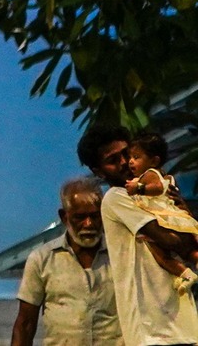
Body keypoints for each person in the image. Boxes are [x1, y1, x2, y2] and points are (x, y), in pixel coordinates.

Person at [101, 130, 198, 346]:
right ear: (97, 171)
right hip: (152, 331)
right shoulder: (116, 197)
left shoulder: (151, 193)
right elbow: (171, 241)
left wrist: (182, 212)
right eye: (113, 160)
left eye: (130, 155)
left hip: (181, 324)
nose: (126, 162)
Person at [12, 178, 120, 346]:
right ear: (64, 217)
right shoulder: (42, 259)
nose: (89, 224)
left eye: (94, 216)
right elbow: (25, 323)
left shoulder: (121, 255)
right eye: (80, 217)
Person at [121, 133, 198, 239]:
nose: (130, 161)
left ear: (154, 161)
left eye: (136, 157)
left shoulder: (150, 174)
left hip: (163, 212)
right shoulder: (151, 175)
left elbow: (158, 188)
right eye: (130, 157)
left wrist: (138, 188)